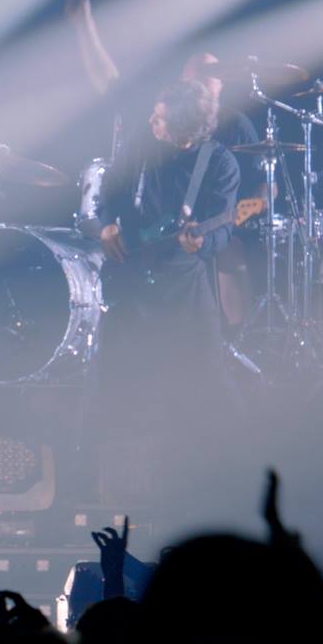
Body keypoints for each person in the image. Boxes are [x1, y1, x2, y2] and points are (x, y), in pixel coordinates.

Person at [67, 0, 261, 324]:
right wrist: (84, 25)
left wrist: (231, 221)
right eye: (194, 80)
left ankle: (235, 336)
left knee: (231, 251)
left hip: (208, 233)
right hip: (145, 246)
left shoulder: (232, 134)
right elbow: (110, 85)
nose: (201, 86)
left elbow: (255, 189)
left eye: (210, 79)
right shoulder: (152, 130)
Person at [89, 80, 243, 434]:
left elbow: (223, 228)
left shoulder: (220, 163)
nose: (150, 123)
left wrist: (200, 244)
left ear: (183, 129)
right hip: (130, 277)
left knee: (210, 378)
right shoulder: (142, 147)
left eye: (159, 120)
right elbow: (112, 184)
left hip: (184, 283)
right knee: (111, 381)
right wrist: (107, 225)